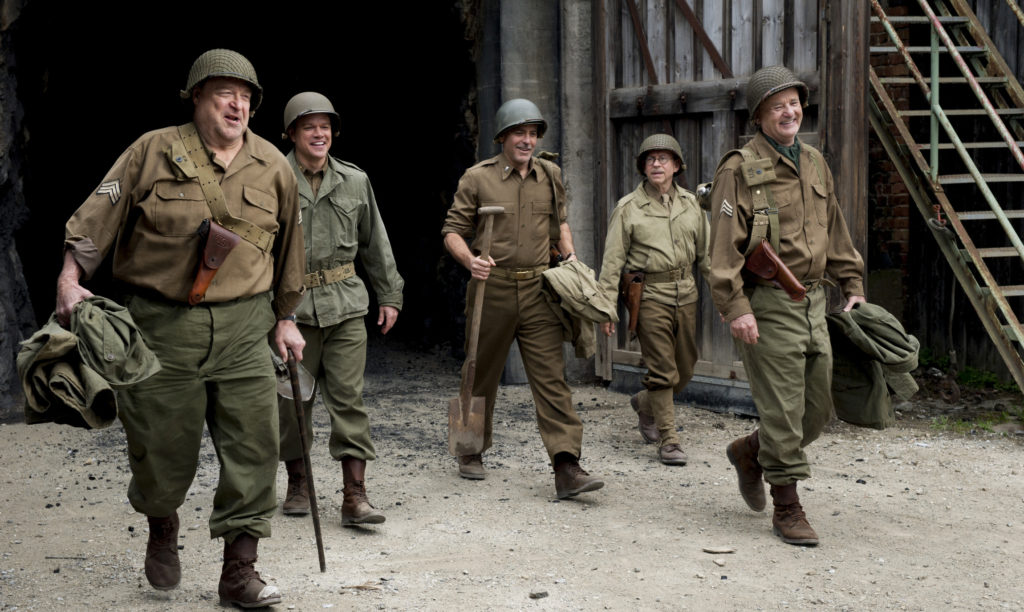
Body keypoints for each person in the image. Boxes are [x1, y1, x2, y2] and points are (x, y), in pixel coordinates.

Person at [55, 49, 305, 607]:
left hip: (245, 326)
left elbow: (291, 250)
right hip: (161, 327)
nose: (237, 104)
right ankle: (161, 523)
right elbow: (97, 218)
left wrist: (286, 319)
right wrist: (70, 281)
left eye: (246, 96)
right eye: (224, 92)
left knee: (255, 446)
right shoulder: (151, 150)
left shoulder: (274, 166)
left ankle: (239, 572)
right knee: (160, 449)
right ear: (196, 97)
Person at [708, 65, 866, 546]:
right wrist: (737, 308)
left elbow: (832, 226)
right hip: (770, 303)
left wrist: (852, 280)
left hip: (815, 301)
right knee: (781, 410)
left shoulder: (815, 161)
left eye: (794, 103)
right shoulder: (739, 169)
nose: (789, 112)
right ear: (759, 115)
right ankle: (788, 506)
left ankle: (751, 451)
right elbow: (721, 249)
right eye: (778, 106)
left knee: (815, 412)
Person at [441, 98, 605, 499]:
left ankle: (567, 465)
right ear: (502, 137)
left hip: (537, 290)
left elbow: (560, 223)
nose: (527, 141)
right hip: (490, 289)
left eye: (532, 134)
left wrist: (569, 258)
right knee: (480, 373)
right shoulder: (477, 179)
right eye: (519, 133)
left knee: (551, 379)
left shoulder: (550, 175)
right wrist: (470, 260)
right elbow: (452, 232)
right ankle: (469, 449)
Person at [276, 92, 403, 526]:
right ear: (292, 132)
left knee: (349, 399)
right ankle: (298, 482)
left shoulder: (354, 181)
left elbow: (375, 242)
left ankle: (355, 496)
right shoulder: (272, 178)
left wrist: (389, 295)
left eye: (325, 126)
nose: (319, 133)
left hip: (346, 305)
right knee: (293, 401)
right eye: (309, 126)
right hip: (292, 312)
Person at [597, 134, 709, 466]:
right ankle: (670, 441)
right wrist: (604, 307)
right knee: (662, 370)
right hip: (648, 297)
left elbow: (708, 257)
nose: (656, 164)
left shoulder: (692, 204)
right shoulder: (628, 208)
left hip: (686, 293)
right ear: (643, 168)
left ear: (676, 166)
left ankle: (645, 403)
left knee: (685, 369)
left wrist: (729, 302)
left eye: (663, 158)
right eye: (650, 160)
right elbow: (612, 261)